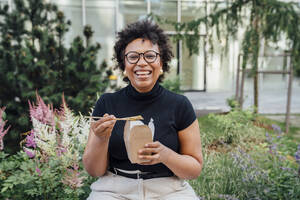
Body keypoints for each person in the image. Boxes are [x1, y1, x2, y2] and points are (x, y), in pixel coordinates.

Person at [83, 20, 203, 200]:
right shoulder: (107, 104)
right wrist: (101, 138)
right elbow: (94, 170)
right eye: (133, 57)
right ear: (124, 65)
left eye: (150, 56)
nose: (141, 63)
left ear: (161, 63)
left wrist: (166, 155)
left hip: (169, 190)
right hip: (114, 189)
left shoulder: (179, 105)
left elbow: (194, 169)